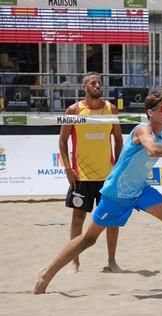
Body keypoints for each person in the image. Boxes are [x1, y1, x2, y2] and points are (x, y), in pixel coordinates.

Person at [34, 91, 162, 294]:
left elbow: (154, 150)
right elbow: (152, 150)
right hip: (118, 192)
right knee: (88, 239)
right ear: (150, 112)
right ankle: (47, 274)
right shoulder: (142, 130)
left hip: (140, 190)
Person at [60, 72, 123, 273]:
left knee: (112, 219)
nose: (97, 85)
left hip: (107, 175)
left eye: (99, 83)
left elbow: (119, 140)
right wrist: (68, 168)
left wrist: (118, 167)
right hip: (82, 175)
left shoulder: (110, 109)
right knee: (78, 219)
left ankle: (112, 261)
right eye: (93, 83)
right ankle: (74, 261)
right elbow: (62, 141)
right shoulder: (74, 110)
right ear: (84, 87)